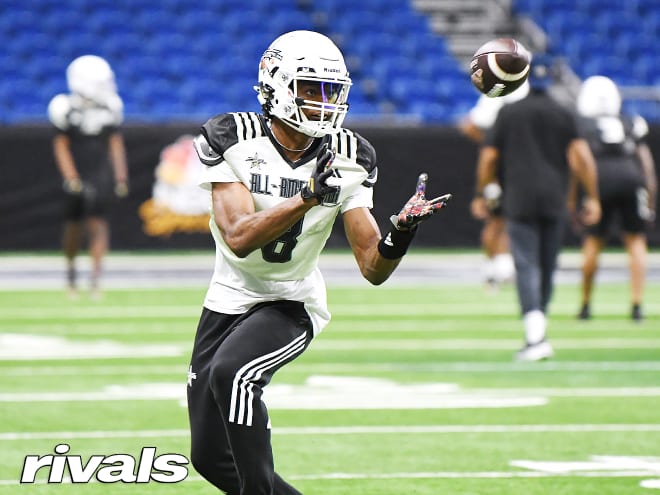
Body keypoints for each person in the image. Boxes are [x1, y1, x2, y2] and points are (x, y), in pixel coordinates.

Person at [186, 30, 452, 495]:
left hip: (291, 302)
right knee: (210, 459)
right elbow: (238, 237)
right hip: (228, 297)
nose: (324, 102)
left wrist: (401, 232)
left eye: (332, 91)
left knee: (235, 375)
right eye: (311, 89)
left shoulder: (351, 155)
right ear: (276, 85)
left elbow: (372, 266)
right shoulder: (231, 136)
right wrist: (307, 198)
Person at [470, 55, 601, 361]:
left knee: (527, 264)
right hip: (555, 198)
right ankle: (538, 329)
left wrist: (481, 192)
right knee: (547, 265)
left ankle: (535, 335)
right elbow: (581, 157)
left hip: (520, 197)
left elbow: (488, 158)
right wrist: (592, 196)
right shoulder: (564, 113)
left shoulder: (509, 112)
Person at [572, 76, 657, 321]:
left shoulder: (582, 126)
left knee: (593, 241)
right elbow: (647, 167)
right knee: (635, 240)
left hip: (599, 180)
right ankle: (637, 306)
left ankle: (585, 305)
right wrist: (650, 198)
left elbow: (578, 163)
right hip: (631, 179)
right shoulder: (631, 122)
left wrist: (575, 198)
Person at [47, 55, 128, 299]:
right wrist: (71, 176)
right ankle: (71, 275)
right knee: (73, 227)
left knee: (98, 224)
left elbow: (115, 143)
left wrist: (120, 176)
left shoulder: (110, 106)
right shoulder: (65, 107)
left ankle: (95, 280)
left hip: (99, 171)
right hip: (77, 170)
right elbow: (61, 145)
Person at [461, 82, 530, 288]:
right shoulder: (500, 94)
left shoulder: (514, 93)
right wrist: (491, 143)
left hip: (514, 167)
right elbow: (469, 125)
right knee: (496, 219)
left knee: (508, 219)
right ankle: (492, 268)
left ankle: (501, 266)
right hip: (499, 170)